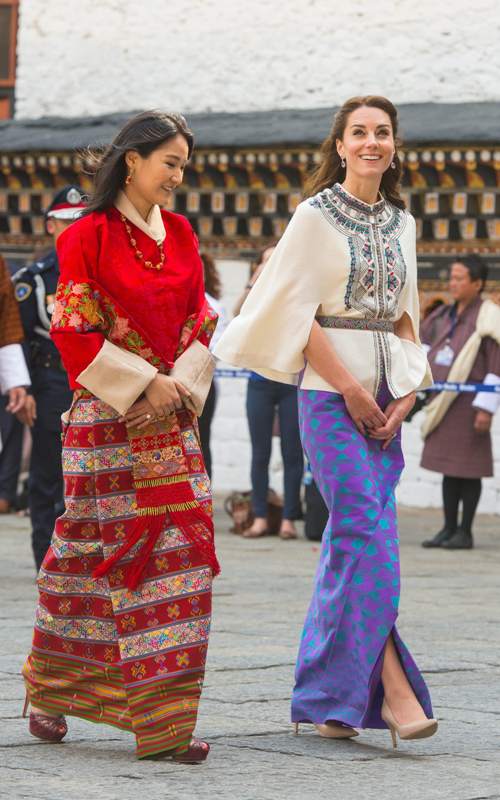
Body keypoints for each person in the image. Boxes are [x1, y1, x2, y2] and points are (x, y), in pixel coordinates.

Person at [216, 96, 438, 747]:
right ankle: (394, 691)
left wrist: (405, 395)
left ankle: (327, 697)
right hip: (328, 397)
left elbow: (407, 318)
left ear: (394, 145)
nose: (371, 142)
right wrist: (350, 390)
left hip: (387, 400)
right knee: (366, 534)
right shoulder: (314, 216)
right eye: (358, 132)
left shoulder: (403, 223)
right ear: (339, 146)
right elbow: (294, 311)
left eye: (382, 132)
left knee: (355, 546)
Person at [22, 111, 219, 763]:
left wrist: (177, 385)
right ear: (132, 161)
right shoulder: (87, 235)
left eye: (184, 165)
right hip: (106, 422)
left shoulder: (182, 233)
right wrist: (141, 384)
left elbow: (202, 320)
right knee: (86, 558)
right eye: (170, 162)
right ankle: (52, 689)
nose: (178, 176)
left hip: (172, 420)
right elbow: (73, 330)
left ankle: (165, 721)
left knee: (181, 561)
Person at [13, 187, 85, 569]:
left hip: (95, 382)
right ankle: (46, 558)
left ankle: (84, 556)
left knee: (88, 475)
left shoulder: (99, 271)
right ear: (50, 225)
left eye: (81, 222)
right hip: (51, 380)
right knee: (47, 473)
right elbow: (18, 338)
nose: (74, 229)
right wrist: (24, 388)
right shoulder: (35, 279)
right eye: (66, 222)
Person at [420, 255, 500, 550]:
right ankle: (448, 527)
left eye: (459, 278)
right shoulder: (443, 315)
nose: (452, 284)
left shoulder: (488, 317)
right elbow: (422, 344)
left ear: (477, 284)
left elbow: (496, 365)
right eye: (451, 278)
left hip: (470, 403)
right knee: (449, 469)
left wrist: (485, 409)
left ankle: (465, 532)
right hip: (443, 401)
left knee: (468, 468)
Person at [234, 246, 304, 540]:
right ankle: (260, 516)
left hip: (290, 381)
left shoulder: (294, 292)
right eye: (266, 260)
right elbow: (237, 314)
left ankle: (288, 518)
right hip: (260, 381)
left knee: (292, 452)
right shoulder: (256, 297)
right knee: (260, 452)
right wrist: (256, 279)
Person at [198, 252, 227, 480]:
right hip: (170, 383)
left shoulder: (214, 306)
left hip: (203, 383)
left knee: (202, 439)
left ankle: (205, 491)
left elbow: (217, 347)